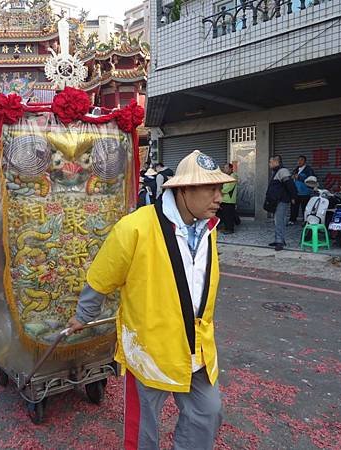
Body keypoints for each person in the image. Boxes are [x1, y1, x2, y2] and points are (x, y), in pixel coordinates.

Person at [67, 150, 232, 450]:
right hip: (149, 348)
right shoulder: (136, 227)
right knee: (144, 425)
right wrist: (84, 315)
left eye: (220, 189)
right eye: (211, 189)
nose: (219, 197)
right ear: (183, 190)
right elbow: (102, 275)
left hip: (196, 346)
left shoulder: (209, 230)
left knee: (207, 411)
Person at [265, 156, 297, 251]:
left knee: (280, 221)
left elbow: (290, 185)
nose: (269, 164)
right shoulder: (277, 172)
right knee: (277, 221)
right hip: (276, 201)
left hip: (282, 201)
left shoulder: (283, 171)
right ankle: (278, 239)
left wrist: (293, 197)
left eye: (270, 162)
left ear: (276, 162)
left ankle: (280, 242)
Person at [289, 155, 315, 225]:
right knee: (294, 207)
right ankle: (292, 220)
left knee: (305, 208)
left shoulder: (308, 169)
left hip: (305, 193)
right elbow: (291, 179)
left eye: (301, 160)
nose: (299, 162)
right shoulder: (296, 169)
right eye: (298, 160)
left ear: (305, 161)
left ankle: (305, 220)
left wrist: (300, 177)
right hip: (296, 192)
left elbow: (311, 179)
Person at [218, 163, 238, 234]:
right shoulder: (227, 176)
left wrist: (219, 191)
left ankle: (230, 229)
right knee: (225, 215)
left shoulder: (233, 176)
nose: (224, 169)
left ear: (231, 169)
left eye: (226, 168)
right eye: (224, 168)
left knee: (229, 215)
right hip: (224, 200)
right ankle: (226, 228)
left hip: (229, 200)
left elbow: (227, 188)